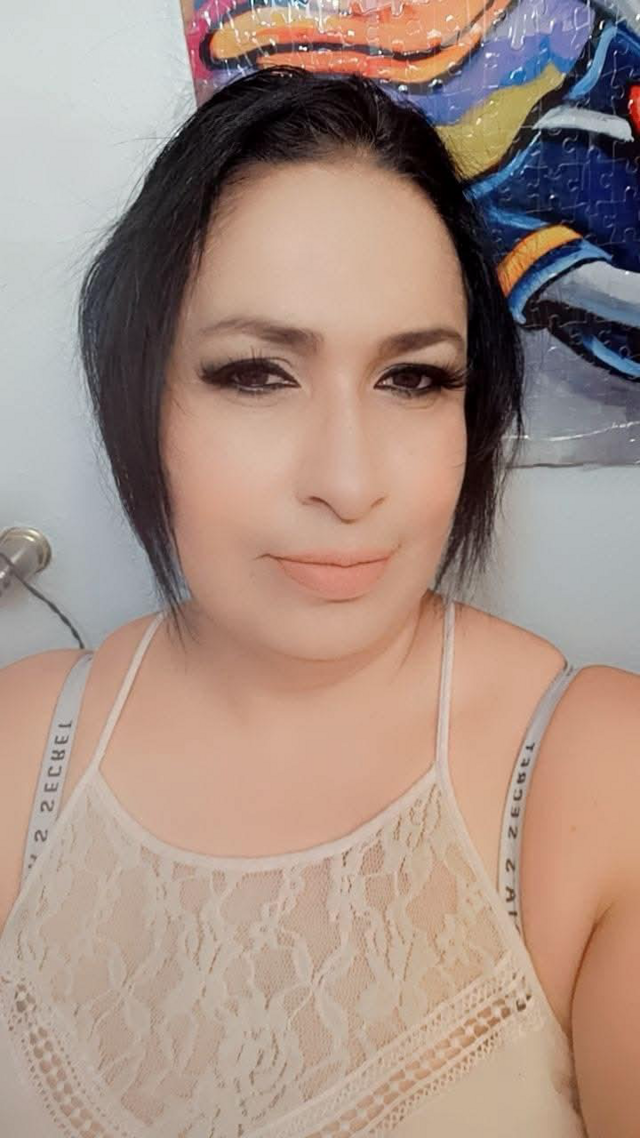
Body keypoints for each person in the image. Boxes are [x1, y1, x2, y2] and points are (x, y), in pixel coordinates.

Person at [0, 65, 637, 1137]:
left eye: (414, 378)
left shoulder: (603, 773)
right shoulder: (20, 746)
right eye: (256, 373)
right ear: (138, 390)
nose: (347, 482)